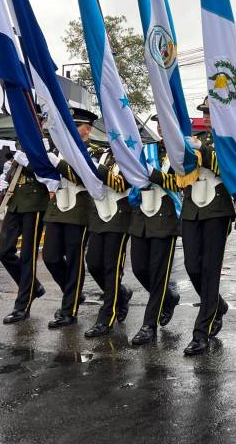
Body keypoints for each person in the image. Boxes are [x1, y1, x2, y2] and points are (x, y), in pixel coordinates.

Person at [180, 97, 234, 356]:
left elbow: (229, 169)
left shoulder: (230, 140)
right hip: (192, 208)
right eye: (204, 112)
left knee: (210, 270)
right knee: (192, 266)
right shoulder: (196, 138)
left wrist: (203, 151)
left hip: (217, 209)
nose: (207, 116)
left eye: (211, 111)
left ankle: (201, 331)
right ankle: (218, 305)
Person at [40, 108, 98, 329]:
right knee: (51, 257)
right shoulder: (59, 149)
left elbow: (88, 179)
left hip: (79, 210)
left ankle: (69, 310)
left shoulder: (93, 152)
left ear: (88, 130)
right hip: (57, 208)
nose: (74, 129)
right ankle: (73, 294)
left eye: (79, 125)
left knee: (74, 261)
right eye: (72, 125)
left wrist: (59, 164)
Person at [128, 118, 182, 346]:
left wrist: (155, 175)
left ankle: (149, 325)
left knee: (159, 273)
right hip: (142, 215)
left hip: (166, 217)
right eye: (158, 122)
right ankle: (169, 298)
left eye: (165, 121)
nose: (161, 126)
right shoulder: (148, 149)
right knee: (140, 268)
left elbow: (182, 182)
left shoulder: (182, 152)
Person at [83, 140, 134, 338]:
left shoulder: (130, 155)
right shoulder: (102, 153)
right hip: (100, 214)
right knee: (93, 264)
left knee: (111, 268)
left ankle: (106, 317)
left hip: (119, 215)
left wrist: (98, 169)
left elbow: (122, 184)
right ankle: (121, 294)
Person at [0, 147, 51, 324]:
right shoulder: (22, 143)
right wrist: (6, 180)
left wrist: (26, 162)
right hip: (15, 203)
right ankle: (33, 286)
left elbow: (47, 173)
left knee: (28, 256)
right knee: (4, 251)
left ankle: (22, 306)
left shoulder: (45, 143)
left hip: (34, 204)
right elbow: (15, 170)